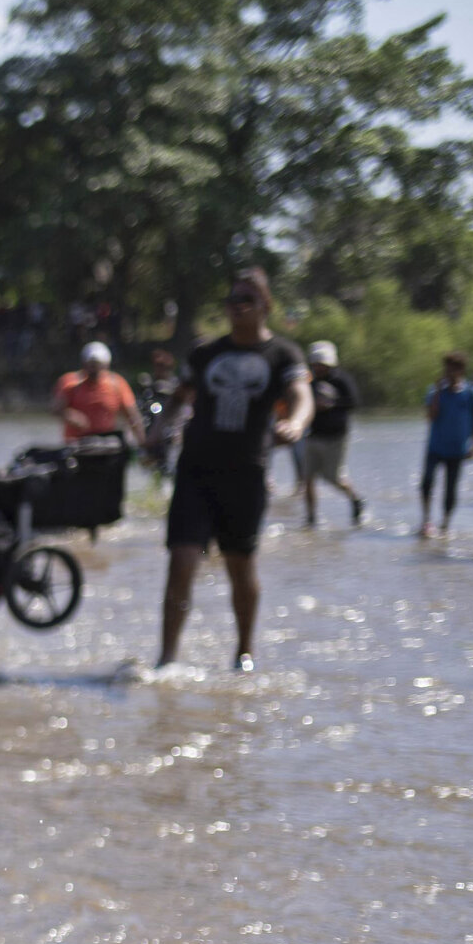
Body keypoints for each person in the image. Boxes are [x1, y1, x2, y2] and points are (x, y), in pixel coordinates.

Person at [156, 268, 311, 671]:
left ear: (266, 306)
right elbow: (178, 398)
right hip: (196, 471)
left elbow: (301, 394)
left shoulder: (282, 354)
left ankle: (244, 652)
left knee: (239, 565)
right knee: (182, 560)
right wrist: (157, 432)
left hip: (246, 473)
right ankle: (167, 659)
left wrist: (295, 422)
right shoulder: (207, 353)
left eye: (247, 299)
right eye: (232, 300)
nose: (237, 307)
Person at [420, 351, 473, 538]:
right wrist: (438, 392)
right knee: (427, 483)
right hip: (435, 446)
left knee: (451, 489)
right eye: (447, 368)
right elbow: (430, 417)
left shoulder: (472, 392)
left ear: (461, 370)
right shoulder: (435, 391)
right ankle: (426, 521)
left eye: (453, 369)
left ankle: (445, 525)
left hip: (457, 449)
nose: (449, 372)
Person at [300, 340, 363, 527]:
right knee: (307, 477)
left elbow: (353, 403)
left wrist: (331, 404)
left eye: (322, 364)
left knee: (332, 477)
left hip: (335, 436)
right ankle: (311, 517)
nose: (318, 367)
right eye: (315, 364)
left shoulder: (341, 380)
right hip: (313, 435)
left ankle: (355, 499)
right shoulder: (309, 381)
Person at [53, 341, 142, 446]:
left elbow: (132, 415)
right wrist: (71, 416)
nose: (94, 369)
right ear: (84, 364)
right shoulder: (70, 382)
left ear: (106, 365)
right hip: (77, 442)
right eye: (91, 365)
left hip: (106, 441)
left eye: (98, 365)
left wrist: (142, 441)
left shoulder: (117, 384)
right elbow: (56, 409)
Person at [139, 346, 182, 486]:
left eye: (162, 366)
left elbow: (183, 410)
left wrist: (178, 431)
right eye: (157, 366)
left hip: (170, 436)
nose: (159, 370)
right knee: (149, 472)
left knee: (169, 471)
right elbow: (142, 409)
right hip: (151, 433)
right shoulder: (149, 386)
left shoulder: (177, 385)